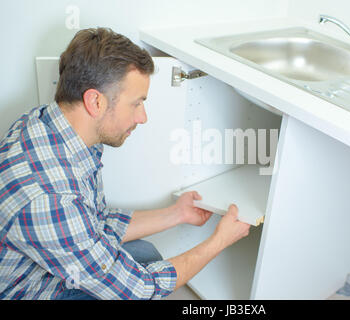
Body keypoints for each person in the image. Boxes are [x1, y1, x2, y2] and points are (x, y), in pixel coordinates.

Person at [0, 27, 250, 300]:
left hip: (49, 263)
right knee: (144, 276)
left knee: (147, 254)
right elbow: (140, 289)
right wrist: (219, 241)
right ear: (95, 101)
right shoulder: (50, 197)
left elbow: (92, 223)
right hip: (32, 290)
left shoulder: (47, 123)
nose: (143, 117)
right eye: (137, 103)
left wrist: (177, 213)